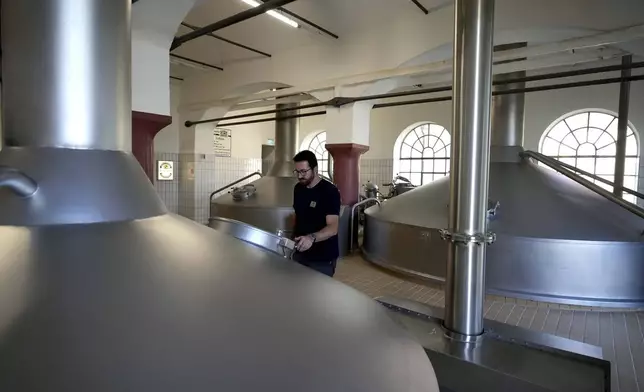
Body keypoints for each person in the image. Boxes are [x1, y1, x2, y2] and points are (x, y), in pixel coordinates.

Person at [292, 150, 341, 277]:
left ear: (315, 169)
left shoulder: (329, 191)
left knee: (318, 295)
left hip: (322, 257)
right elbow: (298, 217)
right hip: (300, 253)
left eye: (303, 171)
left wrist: (311, 238)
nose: (300, 176)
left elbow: (333, 227)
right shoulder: (298, 189)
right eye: (297, 172)